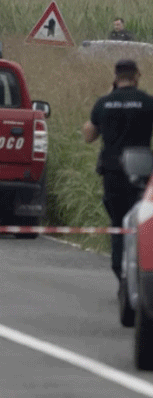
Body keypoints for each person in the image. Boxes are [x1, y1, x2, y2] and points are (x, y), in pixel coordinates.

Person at [83, 59, 153, 282]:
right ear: (137, 76)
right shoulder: (147, 102)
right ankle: (142, 269)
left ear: (115, 77)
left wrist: (109, 94)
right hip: (142, 171)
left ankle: (120, 269)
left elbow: (89, 136)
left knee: (118, 222)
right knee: (142, 221)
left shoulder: (104, 103)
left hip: (113, 172)